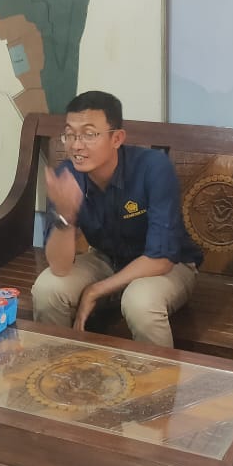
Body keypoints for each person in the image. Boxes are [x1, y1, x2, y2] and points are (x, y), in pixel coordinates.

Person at [31, 90, 204, 347]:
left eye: (89, 134)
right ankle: (59, 366)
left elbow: (161, 259)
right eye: (70, 134)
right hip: (106, 259)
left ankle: (158, 375)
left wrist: (95, 290)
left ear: (117, 138)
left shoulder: (153, 167)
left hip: (169, 265)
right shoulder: (68, 176)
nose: (76, 145)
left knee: (140, 302)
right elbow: (60, 267)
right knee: (48, 288)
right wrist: (65, 217)